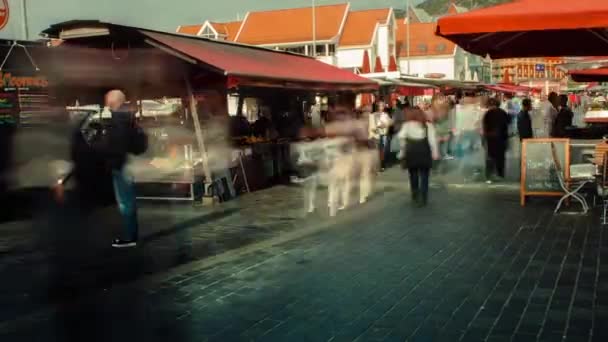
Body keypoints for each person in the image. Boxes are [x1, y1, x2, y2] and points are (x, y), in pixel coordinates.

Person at [105, 90, 141, 248]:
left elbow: (117, 144)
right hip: (127, 162)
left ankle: (129, 237)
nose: (105, 101)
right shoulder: (128, 116)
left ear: (113, 101)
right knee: (128, 200)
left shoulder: (118, 118)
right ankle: (131, 234)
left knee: (125, 202)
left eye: (107, 99)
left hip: (121, 164)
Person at [398, 108, 440, 207]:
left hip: (411, 153)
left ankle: (415, 195)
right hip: (424, 152)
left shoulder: (406, 125)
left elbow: (401, 137)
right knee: (424, 176)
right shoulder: (428, 125)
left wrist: (402, 150)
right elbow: (432, 140)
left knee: (413, 175)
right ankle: (424, 198)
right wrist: (435, 152)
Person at [483, 97, 510, 183]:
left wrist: (484, 138)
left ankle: (489, 176)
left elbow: (485, 127)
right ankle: (500, 174)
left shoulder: (487, 113)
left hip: (491, 139)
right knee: (501, 158)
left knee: (490, 157)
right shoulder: (503, 112)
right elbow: (508, 123)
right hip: (501, 139)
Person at [369, 101, 393, 171]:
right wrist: (375, 127)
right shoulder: (373, 115)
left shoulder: (385, 114)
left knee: (383, 150)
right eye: (380, 106)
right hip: (375, 134)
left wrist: (385, 124)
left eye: (383, 106)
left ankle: (381, 164)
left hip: (383, 134)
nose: (382, 107)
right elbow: (371, 125)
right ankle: (378, 165)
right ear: (377, 107)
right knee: (376, 150)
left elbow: (391, 122)